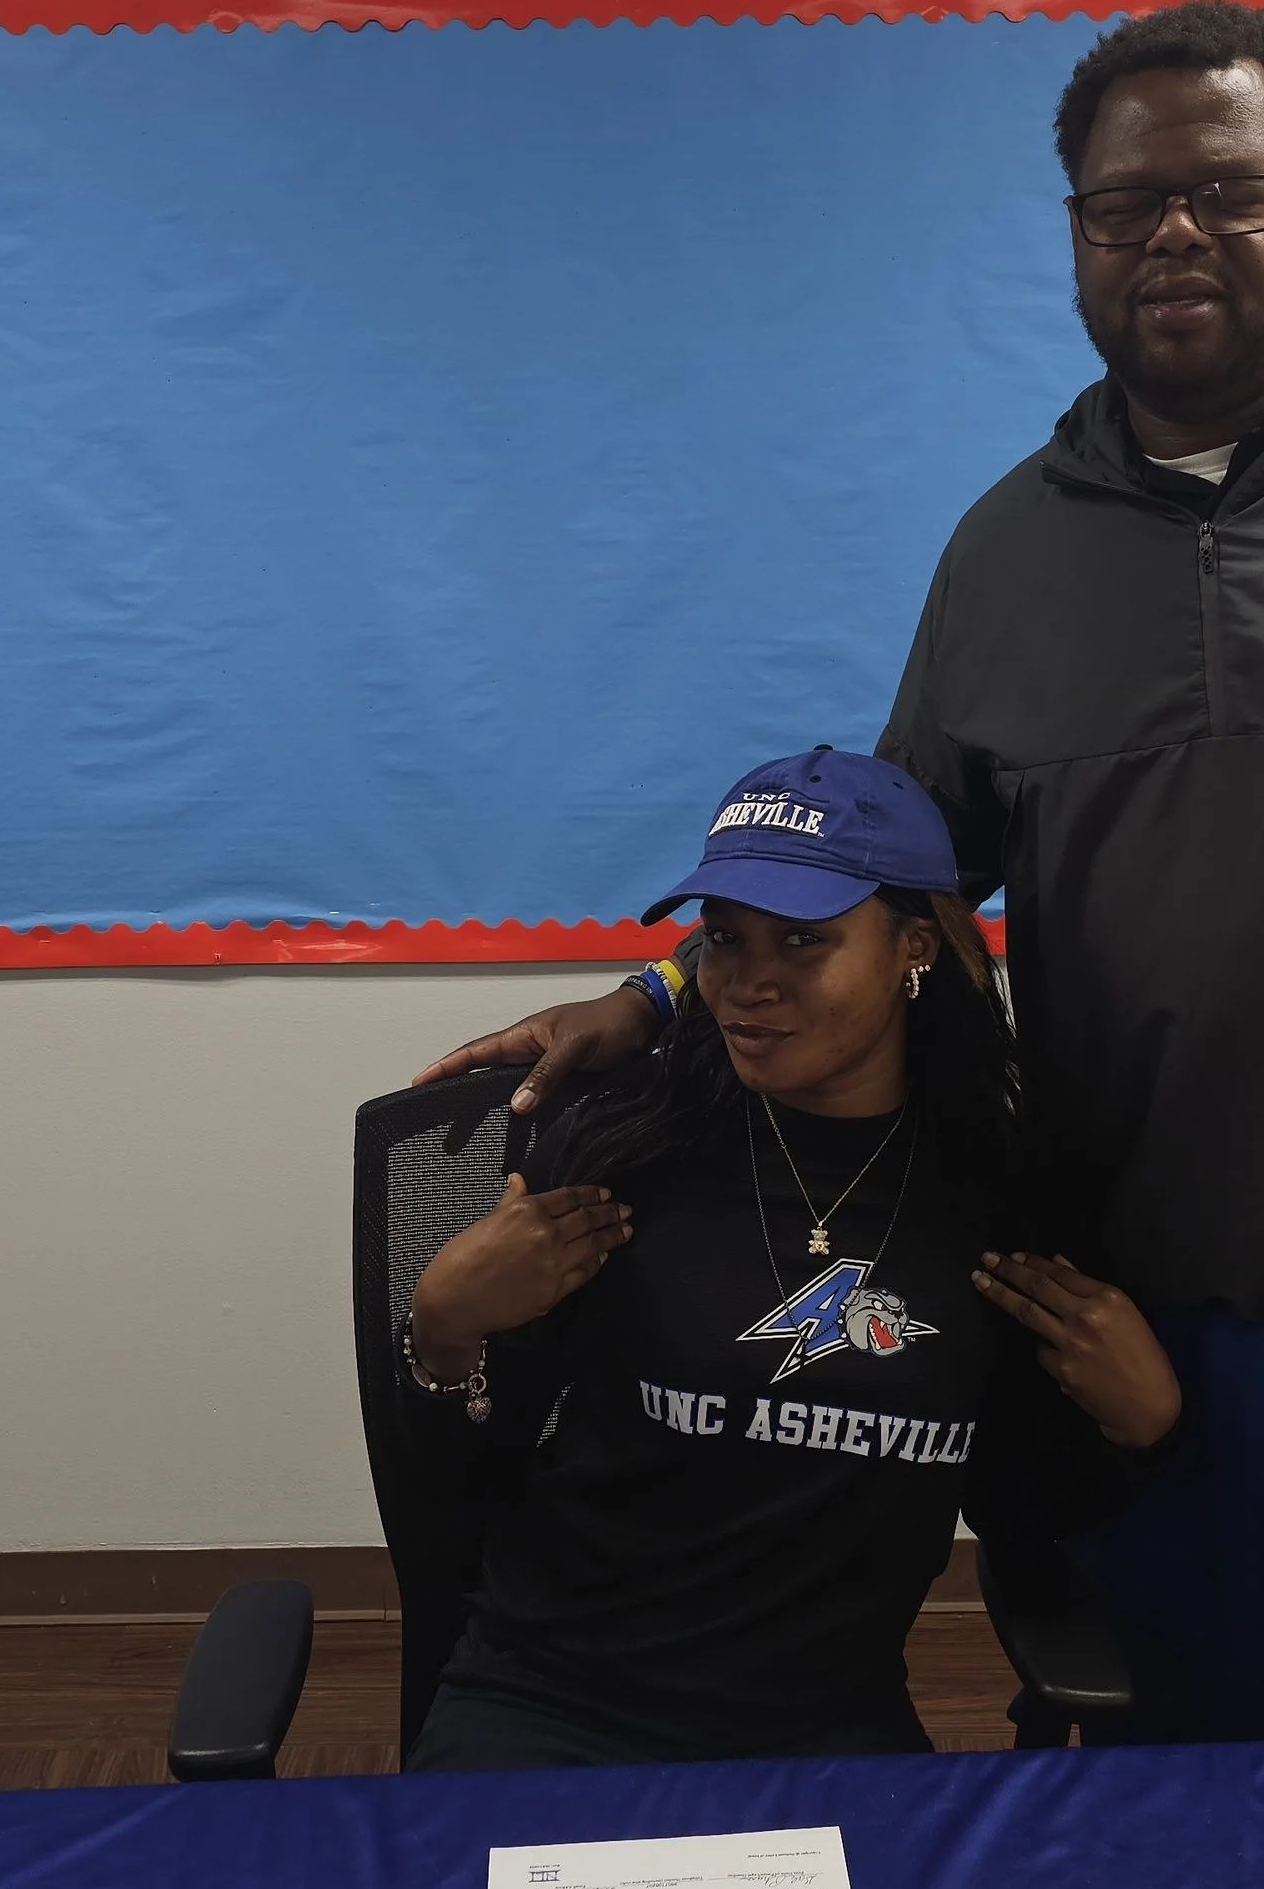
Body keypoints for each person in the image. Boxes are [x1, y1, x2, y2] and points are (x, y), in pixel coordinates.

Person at [421, 0, 1264, 1743]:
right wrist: (658, 996)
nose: (1177, 234)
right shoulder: (1009, 551)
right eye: (1127, 204)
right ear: (1076, 233)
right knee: (1149, 1816)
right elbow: (887, 881)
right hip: (1121, 1316)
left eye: (1231, 190)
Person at [400, 744, 1179, 1771]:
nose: (747, 983)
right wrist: (445, 1330)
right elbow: (464, 1493)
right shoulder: (623, 1155)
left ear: (913, 948)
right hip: (554, 1705)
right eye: (725, 938)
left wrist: (1137, 1427)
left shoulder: (999, 1194)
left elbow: (1016, 1510)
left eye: (803, 939)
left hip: (824, 1726)